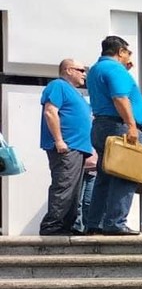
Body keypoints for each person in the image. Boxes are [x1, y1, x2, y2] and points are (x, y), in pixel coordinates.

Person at [84, 36, 142, 235]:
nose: (129, 57)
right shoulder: (115, 69)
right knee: (125, 175)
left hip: (103, 125)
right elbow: (120, 98)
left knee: (105, 176)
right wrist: (131, 125)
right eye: (128, 53)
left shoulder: (96, 69)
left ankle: (95, 222)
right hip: (119, 126)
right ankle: (115, 222)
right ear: (120, 52)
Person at [39, 59, 93, 236]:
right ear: (69, 70)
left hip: (77, 148)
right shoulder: (58, 85)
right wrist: (59, 140)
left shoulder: (76, 93)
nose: (84, 73)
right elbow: (50, 112)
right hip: (66, 146)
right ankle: (52, 225)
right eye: (81, 70)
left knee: (73, 189)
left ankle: (67, 225)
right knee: (64, 185)